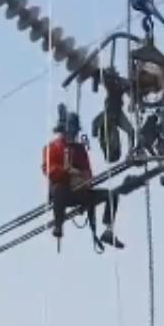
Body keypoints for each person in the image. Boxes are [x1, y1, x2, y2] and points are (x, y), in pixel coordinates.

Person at [44, 107, 124, 250]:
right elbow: (50, 171)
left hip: (80, 191)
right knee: (59, 190)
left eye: (75, 131)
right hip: (63, 193)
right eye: (71, 130)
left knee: (112, 195)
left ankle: (108, 229)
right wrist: (67, 173)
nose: (73, 134)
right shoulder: (53, 147)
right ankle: (58, 224)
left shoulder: (80, 149)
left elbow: (88, 172)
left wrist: (81, 178)